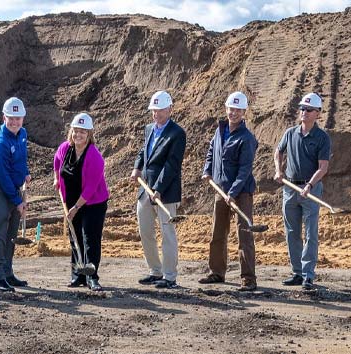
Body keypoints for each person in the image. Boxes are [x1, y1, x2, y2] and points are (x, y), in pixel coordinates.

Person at [198, 91, 259, 291]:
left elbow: (244, 170)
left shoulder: (246, 138)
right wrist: (208, 170)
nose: (233, 113)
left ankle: (248, 278)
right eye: (230, 109)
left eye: (237, 110)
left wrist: (233, 193)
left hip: (241, 192)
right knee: (217, 233)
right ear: (226, 109)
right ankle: (216, 272)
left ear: (244, 112)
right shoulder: (220, 130)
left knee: (244, 234)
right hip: (220, 189)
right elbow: (211, 150)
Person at [273, 93, 331, 291]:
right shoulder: (290, 133)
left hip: (310, 190)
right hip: (290, 188)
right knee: (291, 232)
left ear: (317, 114)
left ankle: (308, 275)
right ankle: (297, 272)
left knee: (310, 232)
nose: (304, 113)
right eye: (302, 109)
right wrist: (279, 170)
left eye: (308, 110)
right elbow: (278, 152)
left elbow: (322, 167)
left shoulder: (322, 138)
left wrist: (309, 186)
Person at [131, 91, 186, 289]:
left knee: (167, 233)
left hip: (166, 192)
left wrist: (159, 188)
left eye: (160, 110)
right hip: (145, 189)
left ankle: (170, 277)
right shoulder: (149, 129)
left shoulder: (177, 133)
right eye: (153, 110)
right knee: (145, 231)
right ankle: (155, 271)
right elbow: (143, 151)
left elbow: (172, 164)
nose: (156, 114)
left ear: (170, 109)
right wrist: (137, 167)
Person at [53, 113, 110, 291]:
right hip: (71, 200)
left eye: (83, 132)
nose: (78, 135)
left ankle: (92, 277)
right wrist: (56, 179)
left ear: (89, 134)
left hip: (92, 203)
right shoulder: (65, 148)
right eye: (76, 131)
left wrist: (76, 208)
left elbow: (90, 188)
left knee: (89, 238)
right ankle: (77, 275)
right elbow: (56, 161)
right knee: (74, 236)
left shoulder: (95, 157)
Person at [0, 97, 31, 293]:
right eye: (11, 118)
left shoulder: (22, 134)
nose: (14, 122)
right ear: (4, 117)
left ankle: (8, 272)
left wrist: (25, 173)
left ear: (22, 119)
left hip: (14, 186)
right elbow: (2, 176)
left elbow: (21, 158)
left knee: (11, 233)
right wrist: (18, 200)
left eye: (18, 118)